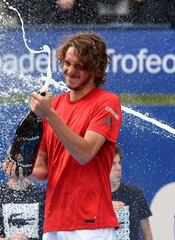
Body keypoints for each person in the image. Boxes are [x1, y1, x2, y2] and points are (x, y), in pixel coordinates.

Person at [3, 32, 122, 240]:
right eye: (67, 63)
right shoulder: (54, 104)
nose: (70, 71)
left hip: (91, 222)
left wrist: (49, 113)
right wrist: (21, 168)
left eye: (79, 66)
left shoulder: (107, 102)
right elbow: (42, 169)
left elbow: (85, 153)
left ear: (94, 69)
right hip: (55, 221)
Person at [110, 144, 153, 240]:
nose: (119, 167)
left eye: (119, 162)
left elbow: (147, 232)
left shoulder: (134, 193)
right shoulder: (94, 198)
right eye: (113, 164)